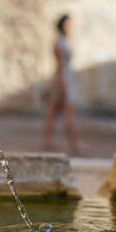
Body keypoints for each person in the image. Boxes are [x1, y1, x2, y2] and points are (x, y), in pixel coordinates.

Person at [42, 14, 80, 154]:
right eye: (67, 24)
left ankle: (47, 141)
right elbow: (59, 65)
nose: (70, 27)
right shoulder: (60, 42)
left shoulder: (64, 41)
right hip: (63, 80)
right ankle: (75, 144)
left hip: (65, 79)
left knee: (53, 113)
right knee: (68, 114)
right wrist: (62, 84)